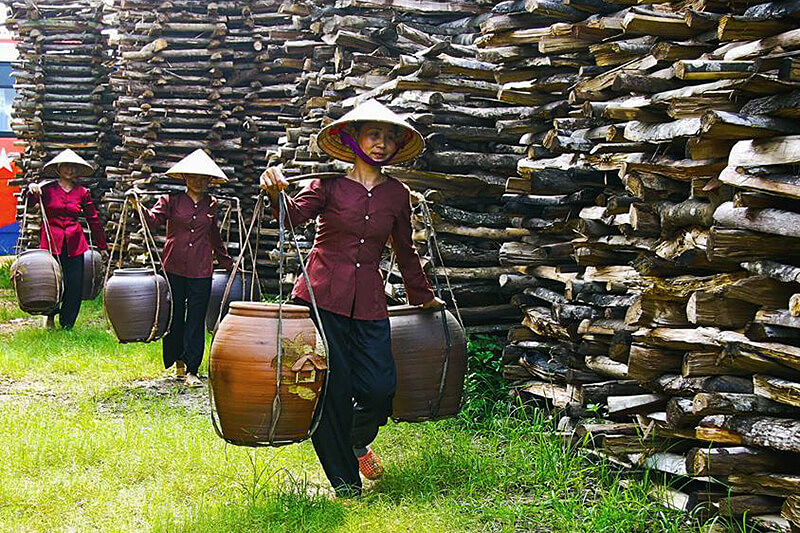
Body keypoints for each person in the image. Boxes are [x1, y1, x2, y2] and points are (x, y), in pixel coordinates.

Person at [260, 99, 445, 497]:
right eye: (373, 134)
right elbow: (290, 217)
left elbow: (405, 249)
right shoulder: (328, 184)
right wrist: (275, 190)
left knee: (380, 389)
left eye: (389, 138)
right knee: (332, 391)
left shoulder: (397, 195)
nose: (381, 144)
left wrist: (422, 295)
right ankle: (345, 485)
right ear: (353, 138)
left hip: (370, 304)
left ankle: (356, 442)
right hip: (320, 297)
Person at [131, 149, 233, 387]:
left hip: (201, 269)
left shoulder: (211, 204)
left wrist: (227, 261)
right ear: (185, 178)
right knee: (176, 315)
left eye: (203, 177)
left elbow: (214, 236)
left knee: (196, 318)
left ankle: (192, 369)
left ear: (209, 180)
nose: (198, 181)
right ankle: (177, 361)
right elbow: (152, 220)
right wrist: (138, 207)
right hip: (174, 265)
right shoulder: (171, 200)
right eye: (194, 176)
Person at [26, 149, 107, 329]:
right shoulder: (46, 188)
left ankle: (67, 323)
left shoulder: (82, 192)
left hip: (75, 243)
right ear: (58, 169)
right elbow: (30, 203)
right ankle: (50, 316)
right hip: (51, 241)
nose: (69, 170)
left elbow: (93, 219)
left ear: (77, 171)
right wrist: (32, 190)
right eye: (66, 167)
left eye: (73, 167)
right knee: (53, 281)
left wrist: (102, 245)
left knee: (74, 283)